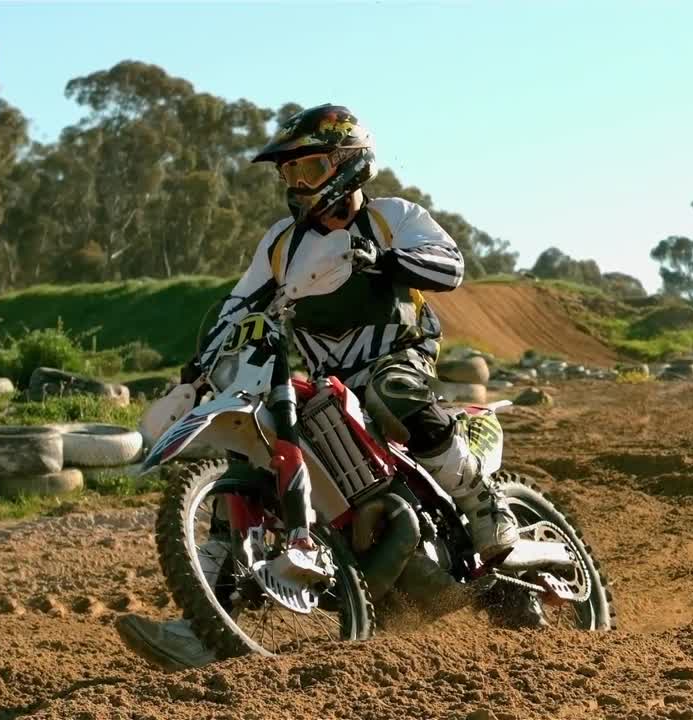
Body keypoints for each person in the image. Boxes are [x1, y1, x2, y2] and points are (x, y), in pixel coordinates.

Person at [116, 104, 523, 668]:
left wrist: (385, 261)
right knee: (258, 453)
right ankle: (203, 618)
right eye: (288, 174)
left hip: (397, 354)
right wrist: (193, 375)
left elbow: (450, 268)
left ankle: (481, 503)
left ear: (348, 164)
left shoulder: (391, 217)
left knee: (388, 388)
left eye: (308, 170)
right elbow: (237, 305)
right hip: (325, 373)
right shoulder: (282, 244)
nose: (297, 185)